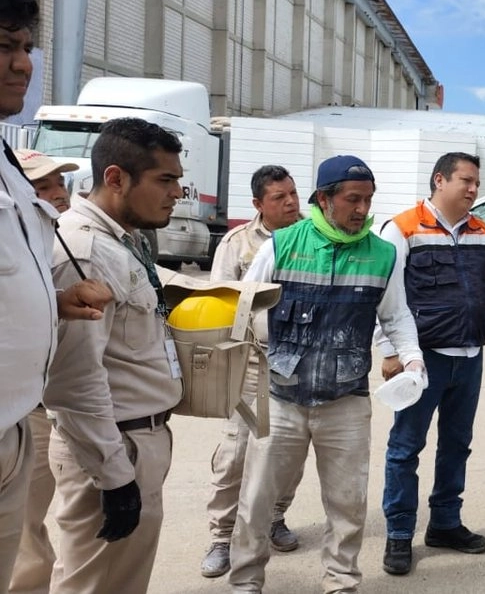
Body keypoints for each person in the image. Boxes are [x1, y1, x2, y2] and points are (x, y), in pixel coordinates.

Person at [229, 155, 425, 593]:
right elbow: (244, 309)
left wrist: (412, 359)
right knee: (257, 500)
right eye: (352, 199)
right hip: (281, 397)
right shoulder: (282, 245)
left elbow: (395, 316)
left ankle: (341, 582)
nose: (362, 209)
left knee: (347, 504)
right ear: (324, 198)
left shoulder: (383, 254)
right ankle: (245, 582)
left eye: (368, 200)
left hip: (346, 402)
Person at [0, 0, 111, 594]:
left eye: (26, 48)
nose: (22, 65)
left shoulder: (10, 167)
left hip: (14, 430)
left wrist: (54, 303)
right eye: (2, 47)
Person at [43, 118, 185, 594]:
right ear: (116, 178)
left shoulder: (123, 240)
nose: (177, 193)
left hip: (136, 442)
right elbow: (72, 382)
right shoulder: (83, 250)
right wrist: (114, 476)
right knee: (91, 585)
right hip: (111, 449)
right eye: (165, 180)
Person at [377, 151, 485, 576]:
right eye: (466, 180)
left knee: (456, 445)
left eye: (476, 183)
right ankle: (399, 533)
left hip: (469, 357)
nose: (473, 189)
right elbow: (384, 295)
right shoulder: (402, 229)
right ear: (439, 180)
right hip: (421, 360)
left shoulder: (482, 231)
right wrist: (390, 351)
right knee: (406, 448)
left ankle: (445, 523)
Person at [199, 165, 304, 578]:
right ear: (259, 205)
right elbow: (219, 302)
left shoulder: (311, 236)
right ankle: (222, 538)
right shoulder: (238, 243)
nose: (292, 202)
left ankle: (276, 517)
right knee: (235, 455)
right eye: (280, 197)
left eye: (294, 193)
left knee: (289, 454)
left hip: (296, 365)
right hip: (250, 363)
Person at [8, 150, 78, 594]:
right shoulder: (22, 247)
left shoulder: (69, 238)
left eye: (59, 185)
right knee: (25, 521)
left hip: (65, 402)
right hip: (31, 407)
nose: (57, 195)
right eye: (43, 188)